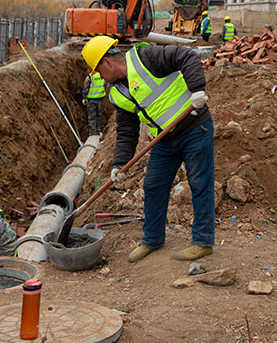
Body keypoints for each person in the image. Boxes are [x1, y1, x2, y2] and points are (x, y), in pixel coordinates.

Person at [81, 36, 215, 263]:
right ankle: (152, 239)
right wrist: (119, 164)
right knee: (153, 186)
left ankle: (202, 242)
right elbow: (126, 130)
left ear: (107, 62)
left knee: (200, 183)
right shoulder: (115, 93)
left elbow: (186, 55)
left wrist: (197, 89)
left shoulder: (145, 58)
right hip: (164, 140)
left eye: (98, 71)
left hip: (194, 126)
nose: (100, 77)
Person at [81, 70, 106, 136]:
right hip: (100, 99)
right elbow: (105, 85)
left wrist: (84, 98)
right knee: (99, 115)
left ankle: (93, 132)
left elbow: (86, 88)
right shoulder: (102, 74)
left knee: (92, 116)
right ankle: (98, 130)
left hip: (91, 99)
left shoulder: (90, 76)